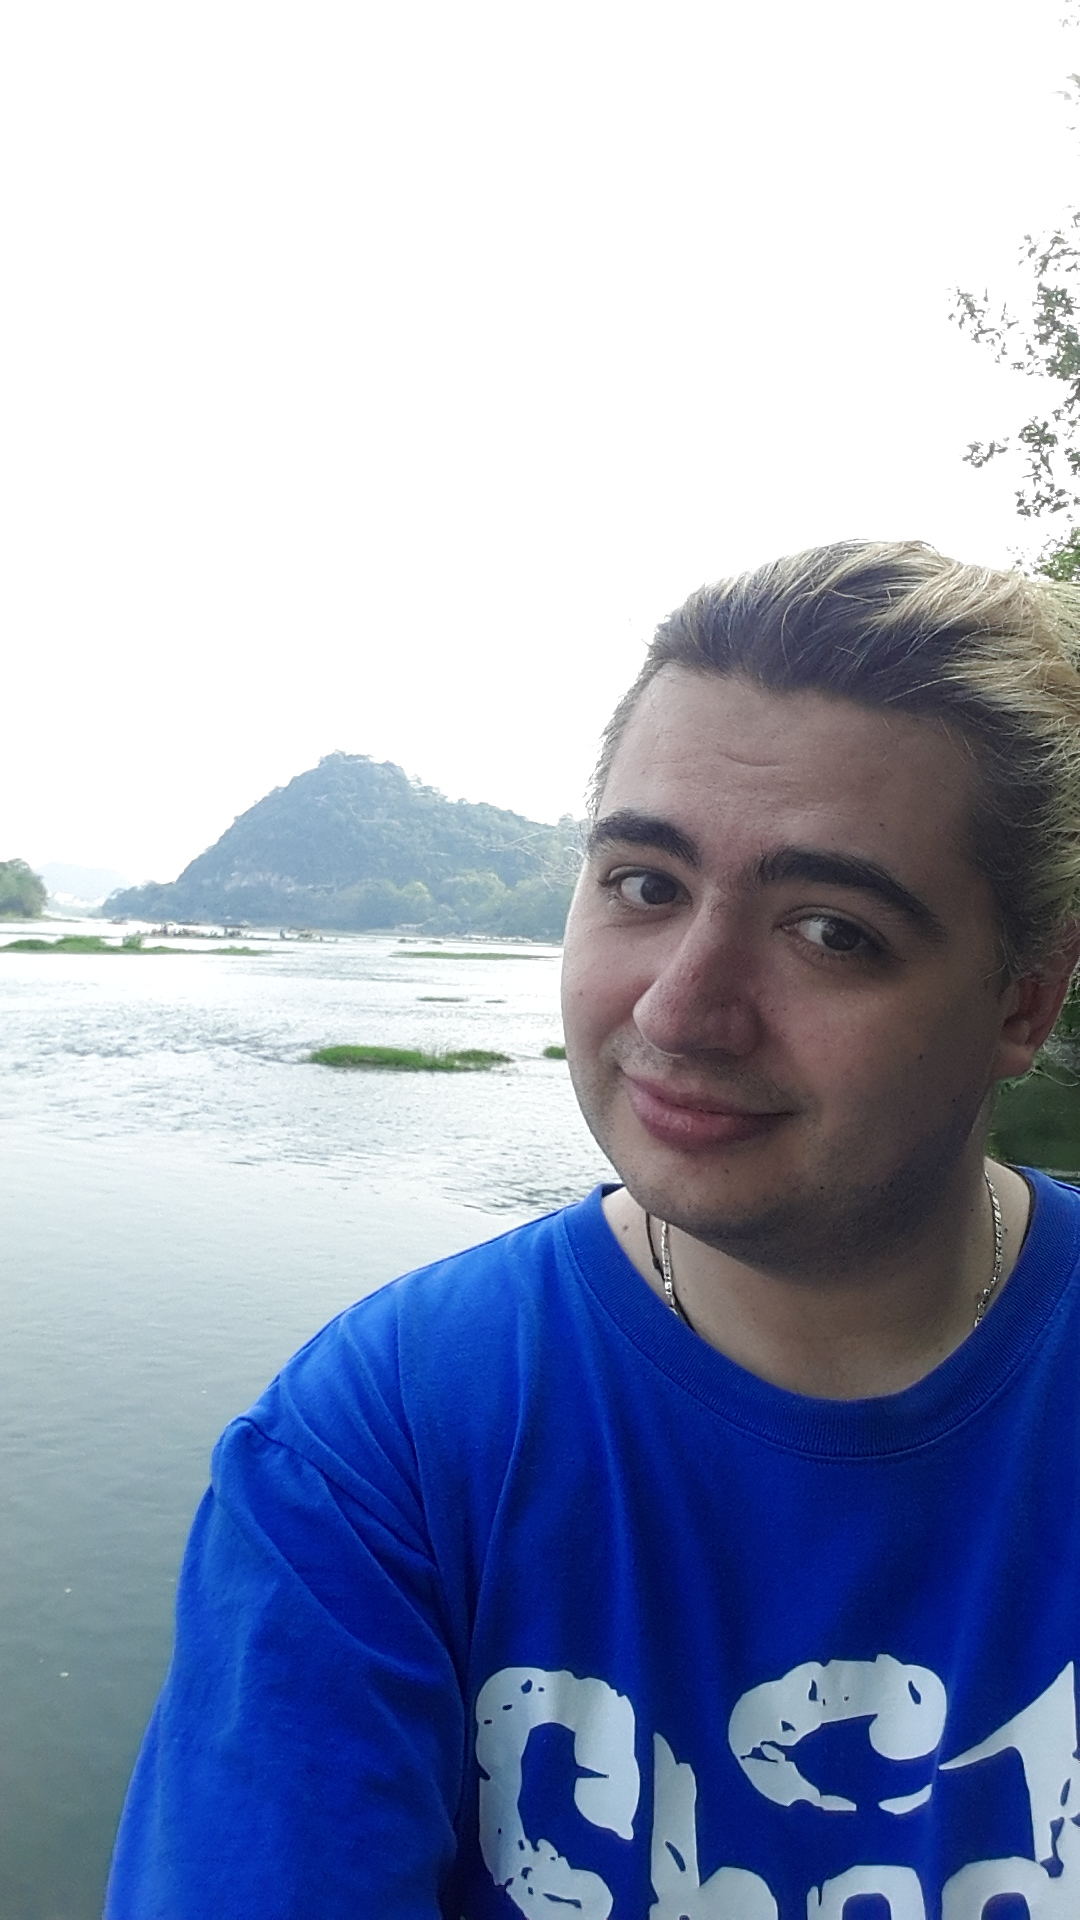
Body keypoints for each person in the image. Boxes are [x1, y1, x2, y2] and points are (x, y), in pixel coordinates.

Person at [106, 540, 1080, 1917]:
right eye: (645, 884)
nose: (682, 1010)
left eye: (831, 930)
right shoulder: (383, 1448)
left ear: (1025, 1001)